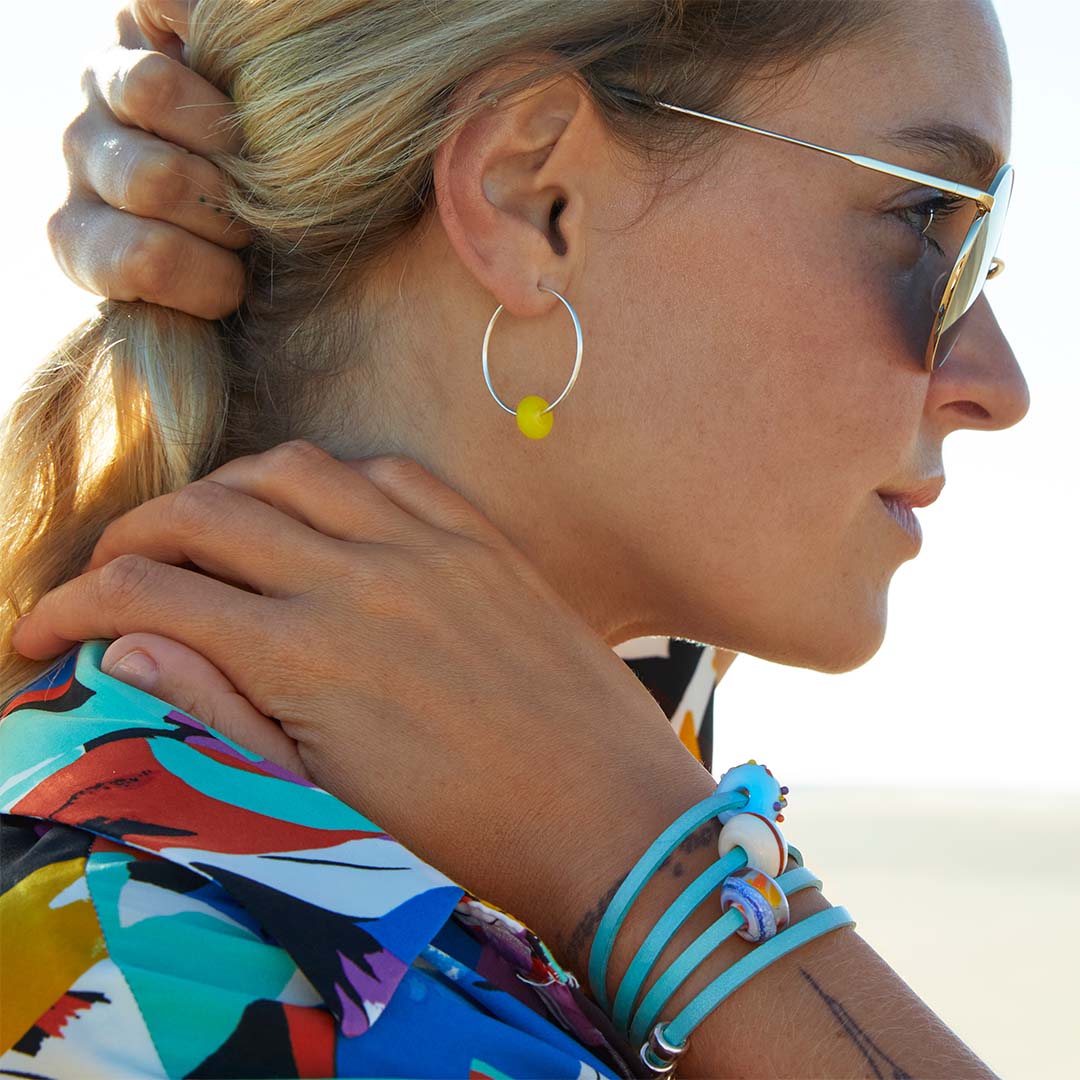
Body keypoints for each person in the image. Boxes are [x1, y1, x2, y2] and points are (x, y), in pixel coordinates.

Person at [0, 0, 1027, 1075]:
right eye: (927, 223)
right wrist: (646, 856)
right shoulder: (131, 977)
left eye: (986, 258)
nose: (1001, 386)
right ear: (535, 199)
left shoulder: (601, 702)